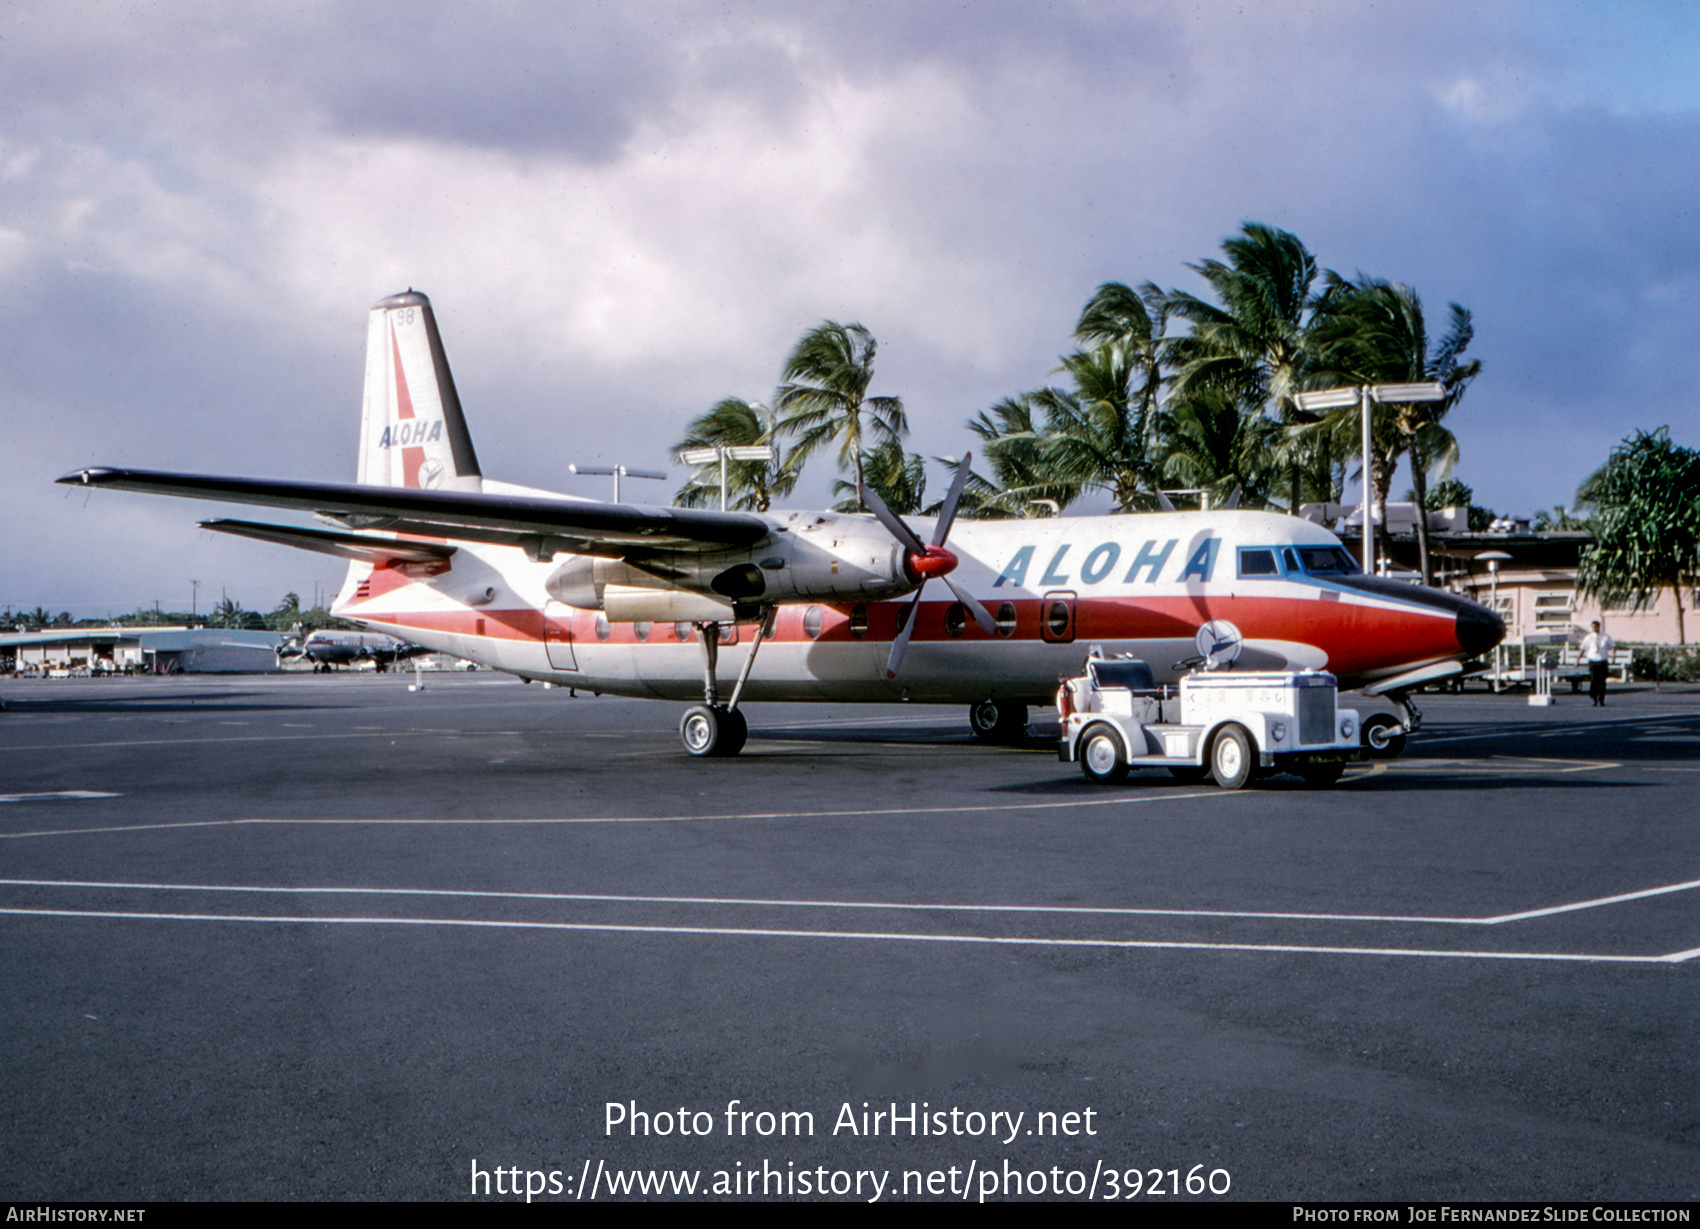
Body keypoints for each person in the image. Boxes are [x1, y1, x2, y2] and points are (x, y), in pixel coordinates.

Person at [1579, 620, 1615, 707]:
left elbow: (1612, 646)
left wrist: (1613, 657)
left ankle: (1601, 699)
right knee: (1594, 680)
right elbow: (1583, 649)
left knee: (1602, 681)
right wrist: (1577, 660)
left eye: (1596, 626)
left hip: (1602, 660)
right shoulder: (1589, 637)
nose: (1594, 628)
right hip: (1593, 660)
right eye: (1593, 626)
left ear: (1599, 626)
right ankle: (1594, 698)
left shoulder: (1606, 636)